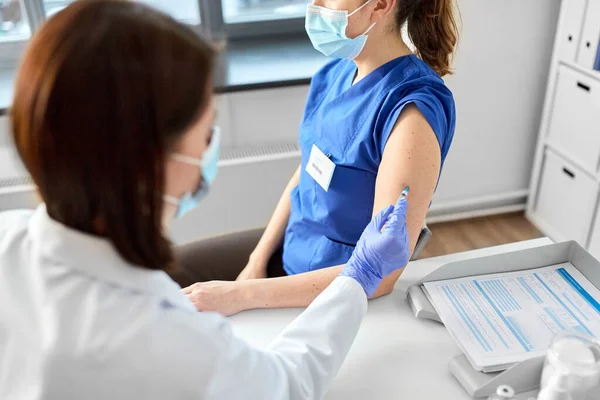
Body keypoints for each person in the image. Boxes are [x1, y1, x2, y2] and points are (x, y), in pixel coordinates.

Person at [0, 1, 411, 398]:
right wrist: (357, 276)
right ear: (155, 161)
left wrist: (256, 269)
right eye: (206, 133)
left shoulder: (8, 239)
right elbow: (286, 385)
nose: (208, 148)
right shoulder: (163, 339)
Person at [175, 0, 458, 316]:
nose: (314, 5)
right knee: (174, 267)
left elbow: (381, 274)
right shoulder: (336, 72)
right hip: (290, 251)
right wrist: (256, 262)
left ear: (380, 5)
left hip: (332, 294)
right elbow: (308, 172)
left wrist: (243, 294)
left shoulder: (411, 112)